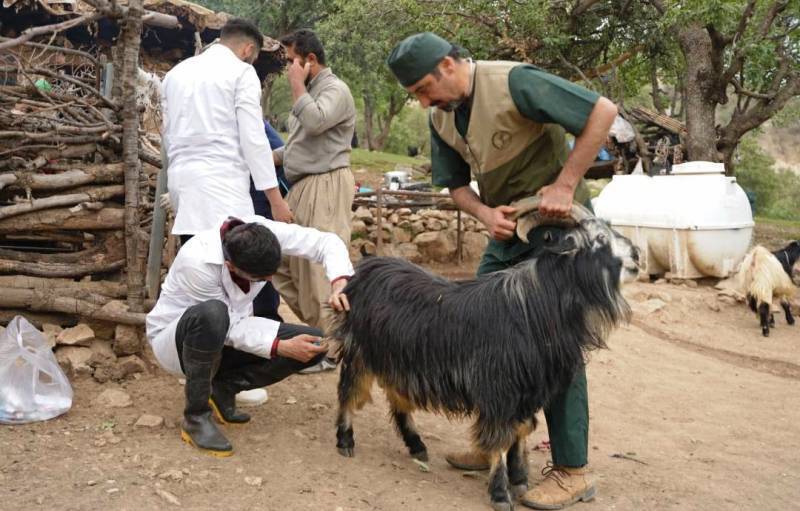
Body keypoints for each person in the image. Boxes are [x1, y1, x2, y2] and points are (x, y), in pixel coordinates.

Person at [386, 32, 618, 509]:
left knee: (555, 345)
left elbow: (603, 112)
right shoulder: (441, 116)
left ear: (449, 65)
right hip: (508, 233)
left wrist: (565, 184)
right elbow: (454, 186)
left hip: (562, 234)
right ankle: (495, 436)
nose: (424, 100)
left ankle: (572, 469)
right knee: (477, 325)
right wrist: (485, 215)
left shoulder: (515, 81)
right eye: (416, 96)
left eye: (425, 88)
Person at [145, 216, 353, 457]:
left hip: (231, 332)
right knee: (213, 313)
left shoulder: (262, 232)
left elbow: (325, 242)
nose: (267, 282)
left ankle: (222, 389)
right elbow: (228, 326)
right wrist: (279, 346)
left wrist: (339, 282)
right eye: (260, 279)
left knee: (314, 342)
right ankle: (196, 417)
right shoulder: (198, 261)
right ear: (231, 266)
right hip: (179, 343)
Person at [160, 18, 292, 246]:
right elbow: (254, 142)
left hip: (183, 185)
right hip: (223, 190)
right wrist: (276, 201)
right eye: (255, 57)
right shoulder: (242, 73)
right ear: (248, 49)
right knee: (235, 265)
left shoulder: (175, 74)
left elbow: (167, 135)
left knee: (195, 261)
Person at [271, 29, 357, 340]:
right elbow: (301, 143)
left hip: (326, 184)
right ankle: (327, 335)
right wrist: (269, 158)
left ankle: (337, 346)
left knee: (320, 269)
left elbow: (316, 121)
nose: (289, 69)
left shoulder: (335, 89)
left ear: (310, 60)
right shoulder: (310, 94)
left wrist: (296, 86)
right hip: (302, 186)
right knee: (281, 262)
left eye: (293, 61)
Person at [248, 120, 292, 322]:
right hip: (247, 192)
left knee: (260, 253)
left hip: (263, 194)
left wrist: (276, 200)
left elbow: (279, 157)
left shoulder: (254, 123)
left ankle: (267, 317)